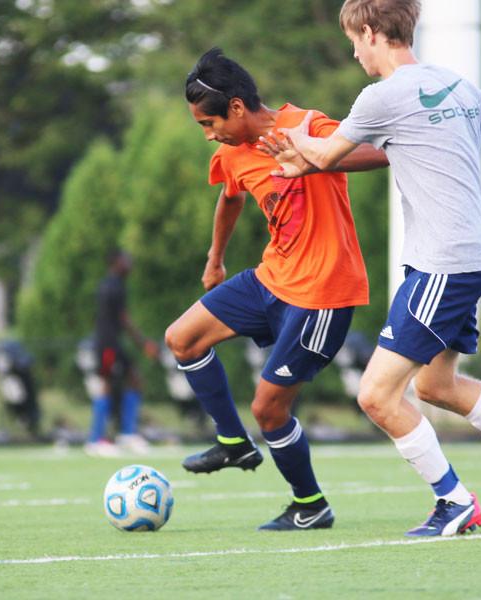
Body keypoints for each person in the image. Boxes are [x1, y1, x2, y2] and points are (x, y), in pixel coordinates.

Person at [259, 0, 481, 537]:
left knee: (376, 395)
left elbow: (324, 156)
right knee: (436, 386)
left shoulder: (382, 95)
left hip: (442, 264)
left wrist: (290, 141)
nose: (355, 52)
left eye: (354, 41)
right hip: (469, 258)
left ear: (370, 31)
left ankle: (454, 502)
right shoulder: (458, 86)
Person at [164, 48, 388, 531]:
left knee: (268, 408)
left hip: (322, 292)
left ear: (237, 108)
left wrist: (314, 157)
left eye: (209, 123)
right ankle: (232, 442)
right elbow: (229, 198)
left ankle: (310, 505)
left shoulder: (308, 125)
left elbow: (380, 153)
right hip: (271, 279)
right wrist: (215, 258)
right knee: (182, 338)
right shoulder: (230, 154)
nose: (209, 135)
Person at [85, 249, 159, 457]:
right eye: (126, 260)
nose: (130, 263)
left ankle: (128, 433)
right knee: (106, 385)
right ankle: (95, 439)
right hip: (107, 345)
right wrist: (144, 344)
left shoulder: (115, 284)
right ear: (116, 263)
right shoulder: (113, 286)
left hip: (113, 343)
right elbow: (124, 319)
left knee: (134, 379)